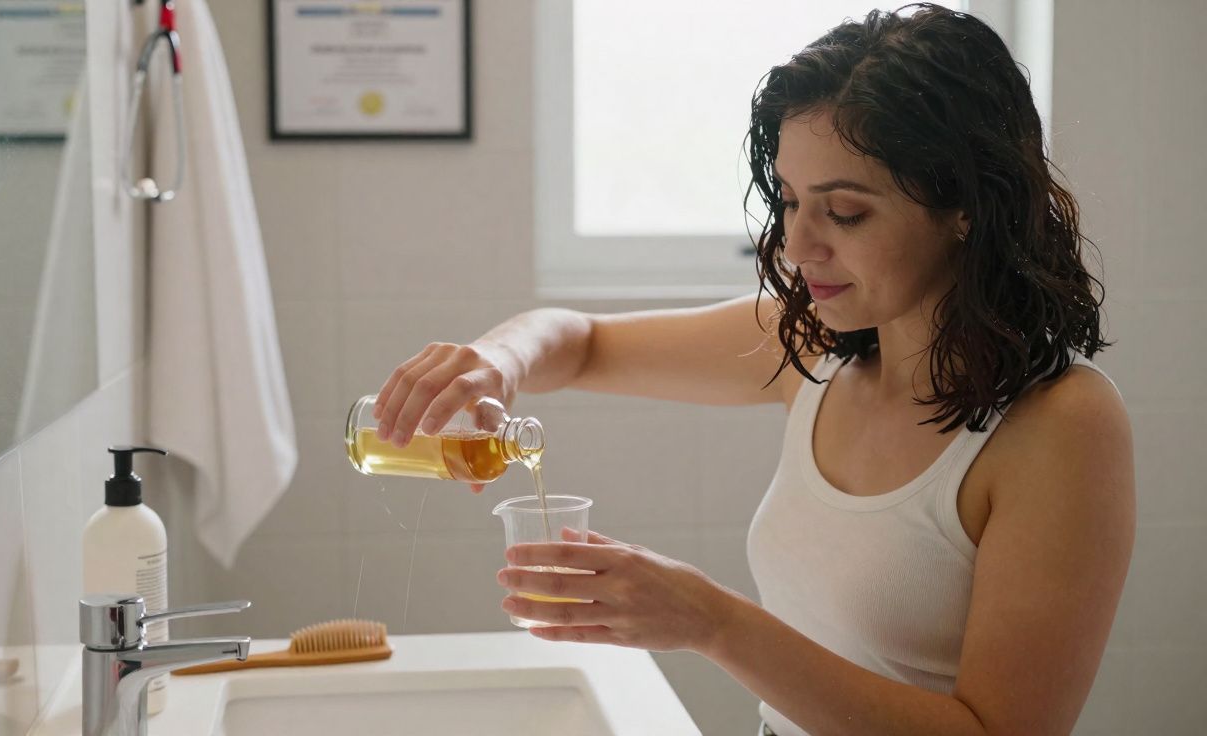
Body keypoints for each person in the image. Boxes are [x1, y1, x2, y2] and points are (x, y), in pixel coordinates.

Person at [370, 4, 1134, 734]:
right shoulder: (814, 352)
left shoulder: (1061, 425)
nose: (798, 248)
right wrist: (499, 361)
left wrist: (712, 622)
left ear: (966, 206)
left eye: (845, 212)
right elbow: (581, 341)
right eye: (791, 200)